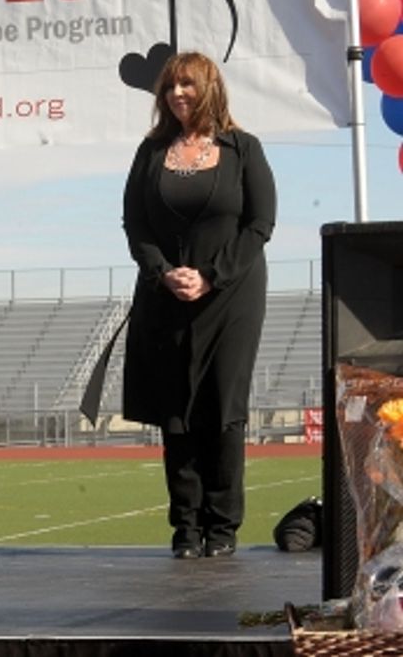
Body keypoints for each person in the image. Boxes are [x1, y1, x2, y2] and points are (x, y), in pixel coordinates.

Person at [120, 51, 275, 559]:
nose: (177, 94)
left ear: (210, 87)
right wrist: (163, 273)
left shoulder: (243, 148)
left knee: (223, 406)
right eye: (169, 87)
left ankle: (222, 526)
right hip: (165, 295)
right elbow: (135, 224)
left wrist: (210, 276)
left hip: (231, 296)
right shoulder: (151, 151)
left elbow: (260, 224)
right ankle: (186, 527)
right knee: (176, 410)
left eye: (186, 84)